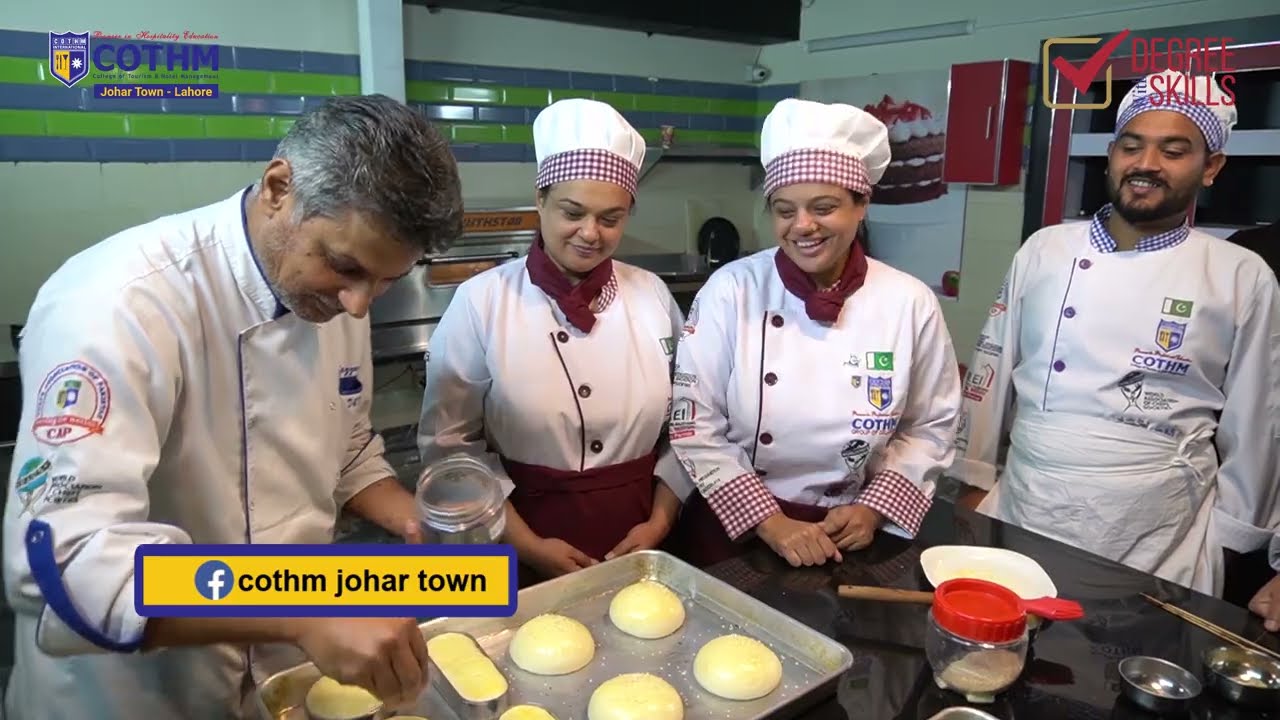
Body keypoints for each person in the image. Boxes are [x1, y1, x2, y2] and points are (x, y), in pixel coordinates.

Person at [2, 95, 464, 720]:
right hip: (136, 695)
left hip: (279, 678)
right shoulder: (118, 306)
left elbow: (347, 446)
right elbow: (69, 565)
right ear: (279, 188)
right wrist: (301, 612)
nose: (359, 305)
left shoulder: (333, 299)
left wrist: (414, 521)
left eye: (385, 281)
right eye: (345, 266)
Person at [950, 69, 1280, 597]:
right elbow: (993, 366)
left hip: (1158, 532)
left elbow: (1259, 419)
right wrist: (973, 477)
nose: (1146, 164)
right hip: (1025, 502)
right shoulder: (1046, 248)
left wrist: (1232, 538)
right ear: (1111, 155)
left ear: (1211, 166)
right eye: (1132, 146)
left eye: (1174, 151)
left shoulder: (1240, 275)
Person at [665, 97, 963, 569]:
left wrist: (873, 509)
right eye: (785, 210)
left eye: (824, 207)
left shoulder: (909, 302)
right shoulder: (732, 290)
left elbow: (931, 424)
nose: (803, 226)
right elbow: (693, 421)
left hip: (849, 533)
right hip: (734, 528)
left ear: (862, 205)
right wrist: (769, 520)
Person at [417, 98, 693, 586]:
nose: (590, 233)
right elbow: (449, 446)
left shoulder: (651, 294)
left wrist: (661, 521)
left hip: (643, 535)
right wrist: (527, 547)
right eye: (573, 212)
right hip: (519, 538)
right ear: (540, 199)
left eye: (611, 218)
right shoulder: (482, 300)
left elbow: (688, 424)